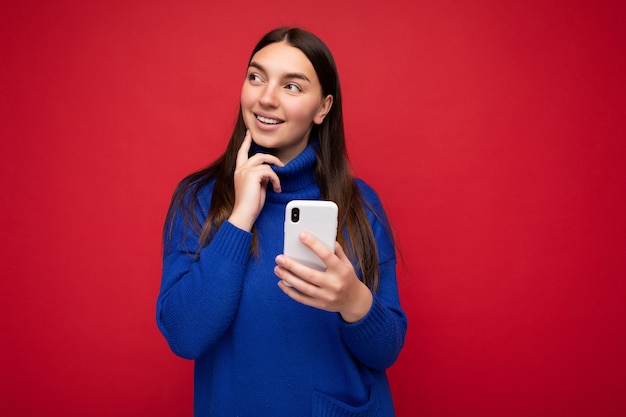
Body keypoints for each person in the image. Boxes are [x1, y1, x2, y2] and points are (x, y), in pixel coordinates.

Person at [157, 27, 407, 416]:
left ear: (323, 108)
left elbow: (386, 350)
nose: (266, 98)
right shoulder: (197, 199)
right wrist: (240, 218)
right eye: (256, 77)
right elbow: (184, 336)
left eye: (292, 87)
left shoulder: (361, 206)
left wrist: (352, 300)